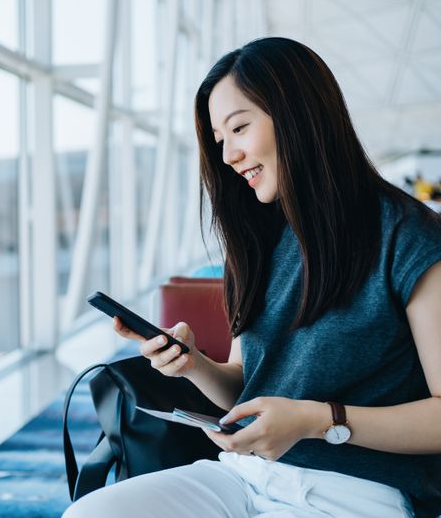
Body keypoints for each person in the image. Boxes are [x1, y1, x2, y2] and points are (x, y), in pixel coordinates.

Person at [63, 37, 441, 518]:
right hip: (244, 475)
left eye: (239, 128)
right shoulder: (258, 242)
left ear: (300, 114)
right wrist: (192, 364)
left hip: (358, 494)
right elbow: (245, 385)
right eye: (220, 140)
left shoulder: (410, 238)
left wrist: (316, 421)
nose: (228, 157)